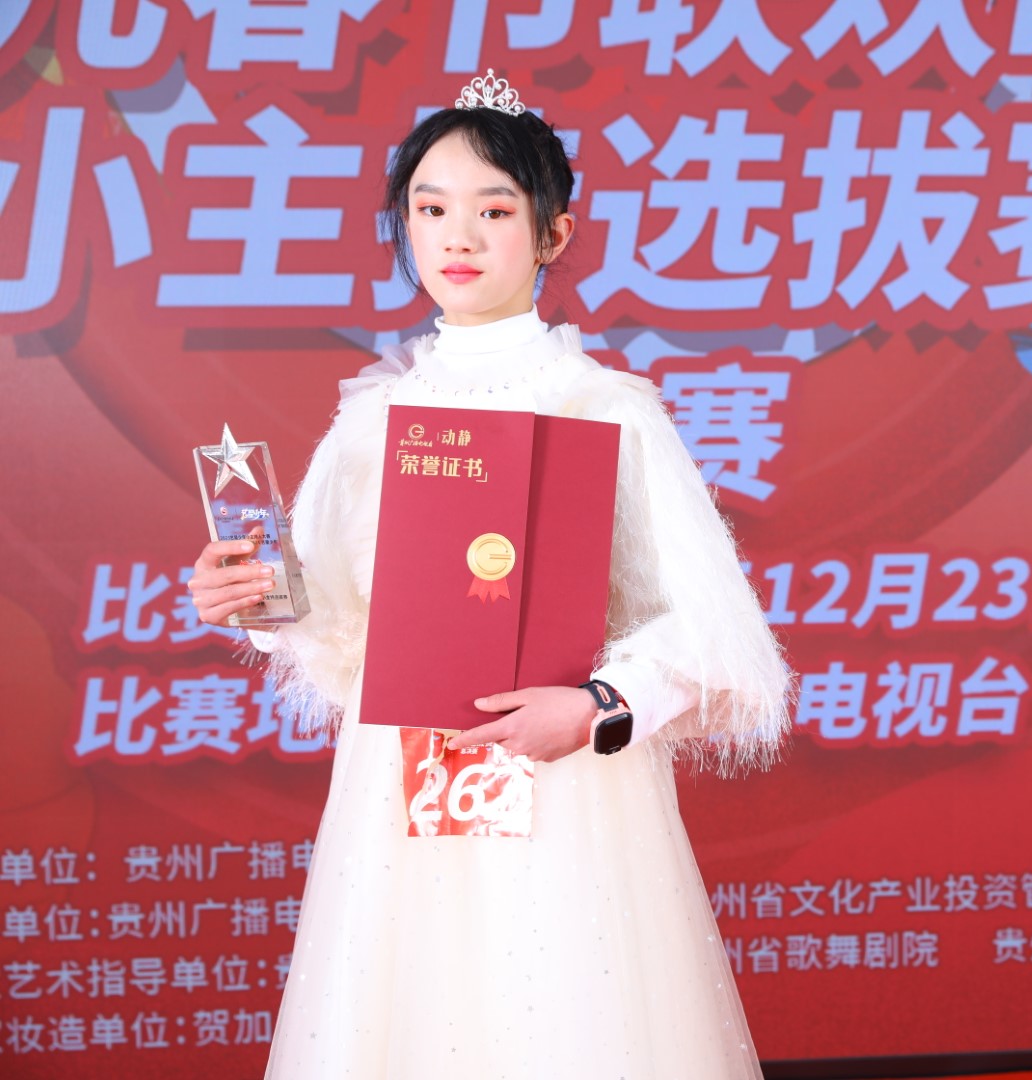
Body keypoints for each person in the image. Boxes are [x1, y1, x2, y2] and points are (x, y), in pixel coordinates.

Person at [186, 71, 794, 1079]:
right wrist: (254, 597)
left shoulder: (605, 408)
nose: (457, 237)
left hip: (568, 792)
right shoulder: (375, 418)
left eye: (494, 210)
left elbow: (711, 628)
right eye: (430, 210)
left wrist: (597, 706)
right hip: (400, 797)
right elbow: (332, 621)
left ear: (554, 233)